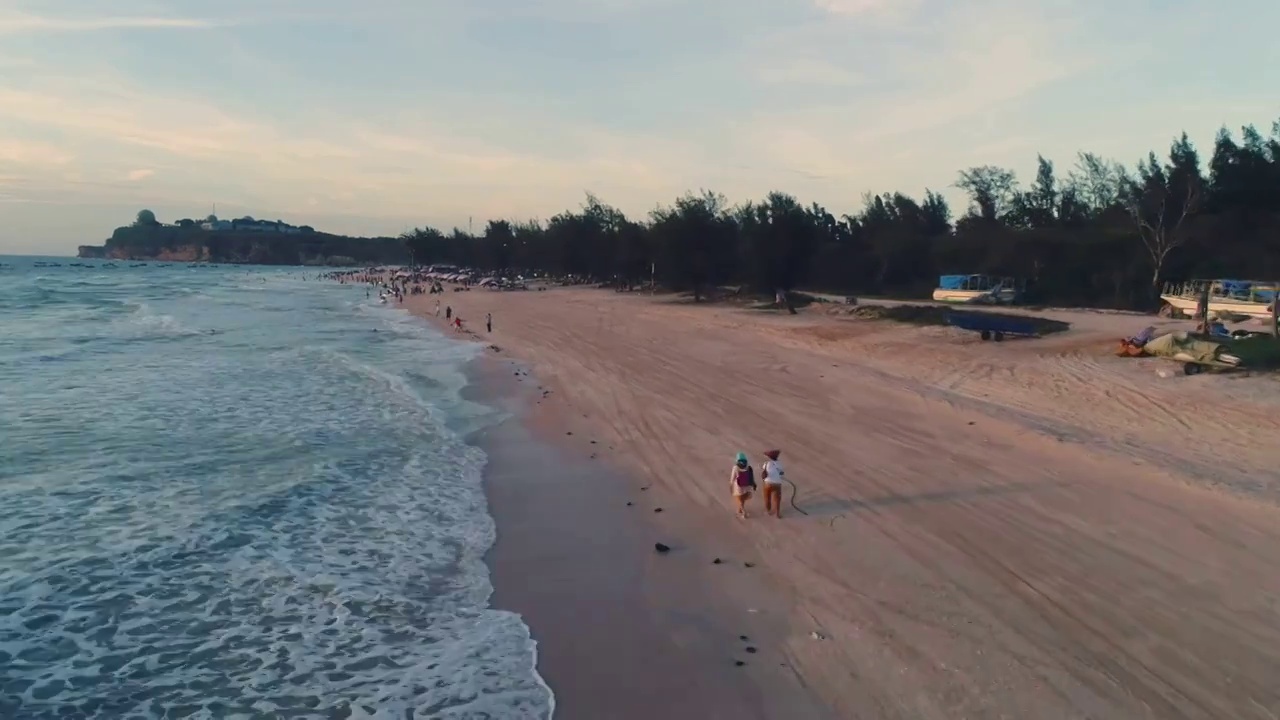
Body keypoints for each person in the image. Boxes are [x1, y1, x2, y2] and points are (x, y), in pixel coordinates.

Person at [729, 451, 755, 519]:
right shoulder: (748, 466)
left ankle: (744, 513)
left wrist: (730, 486)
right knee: (742, 500)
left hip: (738, 487)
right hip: (746, 486)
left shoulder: (735, 467)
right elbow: (751, 476)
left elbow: (732, 478)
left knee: (739, 500)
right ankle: (740, 510)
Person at [760, 449, 785, 518]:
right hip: (777, 483)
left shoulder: (766, 463)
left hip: (768, 483)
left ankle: (768, 511)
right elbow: (782, 474)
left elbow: (764, 471)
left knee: (767, 498)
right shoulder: (780, 464)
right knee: (777, 499)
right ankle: (777, 513)